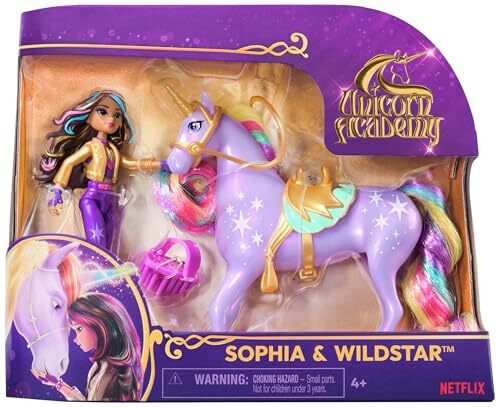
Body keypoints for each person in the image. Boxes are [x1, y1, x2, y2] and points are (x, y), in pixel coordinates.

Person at [32, 292, 143, 401]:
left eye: (79, 329)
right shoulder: (103, 365)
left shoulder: (114, 375)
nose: (75, 340)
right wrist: (58, 384)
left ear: (99, 325)